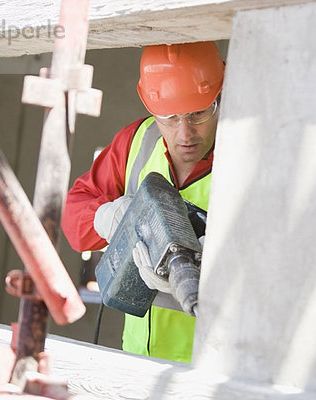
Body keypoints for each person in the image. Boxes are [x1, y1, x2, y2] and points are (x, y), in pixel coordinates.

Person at [61, 41, 224, 363]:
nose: (184, 133)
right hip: (138, 360)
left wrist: (215, 266)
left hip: (213, 367)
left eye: (199, 113)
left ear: (220, 94)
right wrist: (106, 218)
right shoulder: (138, 140)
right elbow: (74, 216)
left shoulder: (253, 149)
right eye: (169, 117)